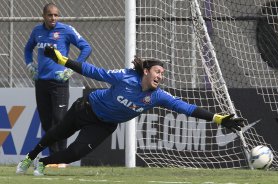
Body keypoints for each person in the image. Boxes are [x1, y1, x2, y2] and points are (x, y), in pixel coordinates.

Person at [16, 46, 245, 176]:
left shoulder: (157, 96)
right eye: (157, 71)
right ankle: (30, 157)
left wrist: (218, 118)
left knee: (75, 153)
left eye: (162, 74)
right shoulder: (125, 77)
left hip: (104, 125)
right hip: (86, 108)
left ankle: (43, 163)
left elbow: (186, 108)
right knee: (57, 134)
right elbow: (92, 71)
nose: (160, 76)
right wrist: (61, 59)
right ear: (146, 71)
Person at [24, 3, 92, 168]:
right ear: (43, 16)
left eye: (56, 15)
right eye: (50, 15)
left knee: (60, 120)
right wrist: (29, 65)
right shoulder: (37, 31)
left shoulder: (66, 30)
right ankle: (54, 159)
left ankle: (61, 159)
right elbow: (27, 49)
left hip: (59, 83)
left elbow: (86, 48)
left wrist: (72, 68)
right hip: (41, 82)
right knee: (47, 122)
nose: (53, 18)